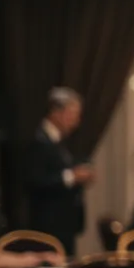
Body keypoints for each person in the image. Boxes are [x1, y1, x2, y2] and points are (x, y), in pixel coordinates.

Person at [27, 87, 93, 255]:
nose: (77, 121)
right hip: (49, 223)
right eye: (73, 114)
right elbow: (34, 181)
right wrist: (72, 176)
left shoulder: (58, 141)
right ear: (56, 112)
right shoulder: (38, 140)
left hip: (64, 222)